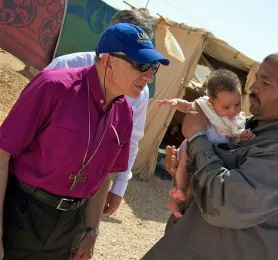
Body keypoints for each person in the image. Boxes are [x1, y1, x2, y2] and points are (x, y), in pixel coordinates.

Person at [0, 23, 169, 259]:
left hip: (71, 226)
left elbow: (104, 175)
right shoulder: (54, 86)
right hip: (19, 212)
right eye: (141, 65)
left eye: (153, 68)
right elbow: (2, 152)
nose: (149, 77)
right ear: (109, 61)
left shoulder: (125, 114)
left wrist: (91, 231)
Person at [142, 52, 278, 260]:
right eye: (256, 78)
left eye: (265, 82)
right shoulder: (242, 125)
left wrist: (197, 137)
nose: (252, 88)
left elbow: (223, 204)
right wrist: (184, 167)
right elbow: (211, 174)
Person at [44, 9, 153, 216]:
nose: (145, 72)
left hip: (84, 198)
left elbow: (130, 141)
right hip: (34, 190)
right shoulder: (63, 68)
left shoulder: (139, 91)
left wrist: (119, 187)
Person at [156, 69, 255, 218]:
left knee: (197, 176)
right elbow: (188, 106)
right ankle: (181, 189)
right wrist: (175, 102)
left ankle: (179, 201)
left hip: (211, 152)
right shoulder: (205, 107)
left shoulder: (238, 120)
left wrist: (243, 135)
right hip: (194, 144)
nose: (233, 111)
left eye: (237, 104)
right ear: (211, 101)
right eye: (226, 107)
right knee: (183, 163)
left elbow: (234, 135)